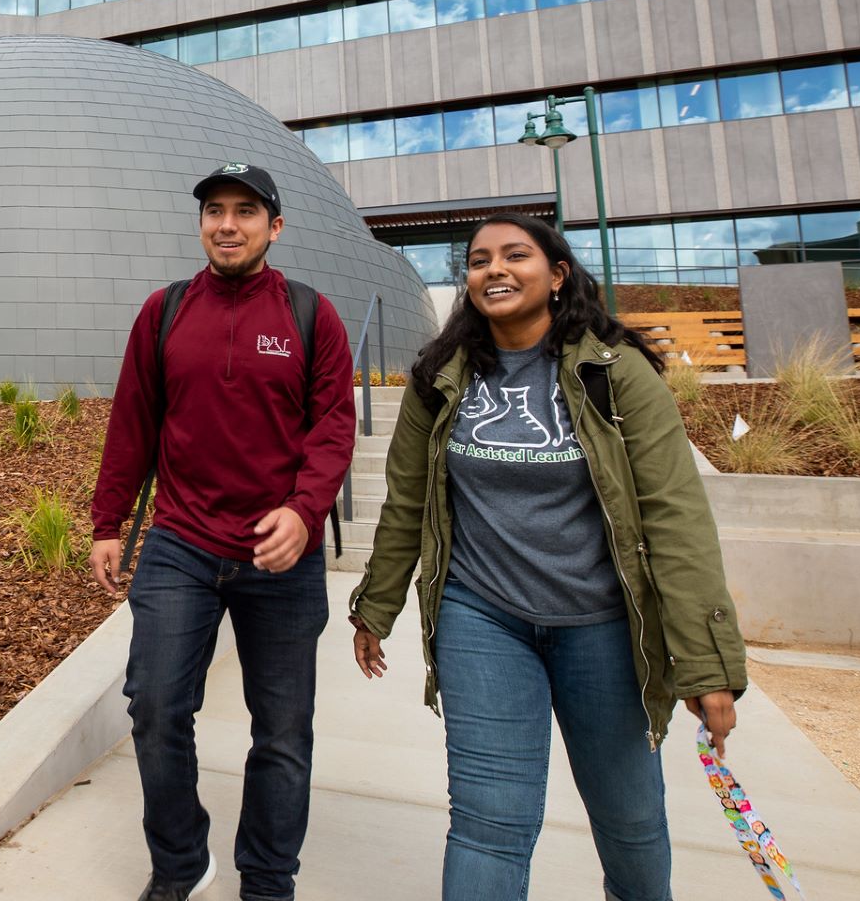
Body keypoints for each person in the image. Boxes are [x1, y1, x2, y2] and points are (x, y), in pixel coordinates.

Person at [348, 213, 747, 900]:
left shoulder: (614, 374)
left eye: (514, 256)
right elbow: (406, 502)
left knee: (629, 818)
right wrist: (376, 605)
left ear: (557, 275)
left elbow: (676, 520)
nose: (494, 269)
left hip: (601, 625)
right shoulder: (439, 378)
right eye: (478, 261)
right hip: (483, 619)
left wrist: (707, 664)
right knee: (487, 823)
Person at [90, 163, 355, 901]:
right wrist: (107, 521)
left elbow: (334, 428)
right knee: (155, 704)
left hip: (281, 556)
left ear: (275, 226)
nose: (227, 224)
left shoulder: (311, 314)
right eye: (214, 210)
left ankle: (268, 878)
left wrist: (304, 512)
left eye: (245, 211)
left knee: (281, 729)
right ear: (201, 222)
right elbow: (132, 423)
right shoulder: (165, 310)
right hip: (181, 541)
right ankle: (180, 861)